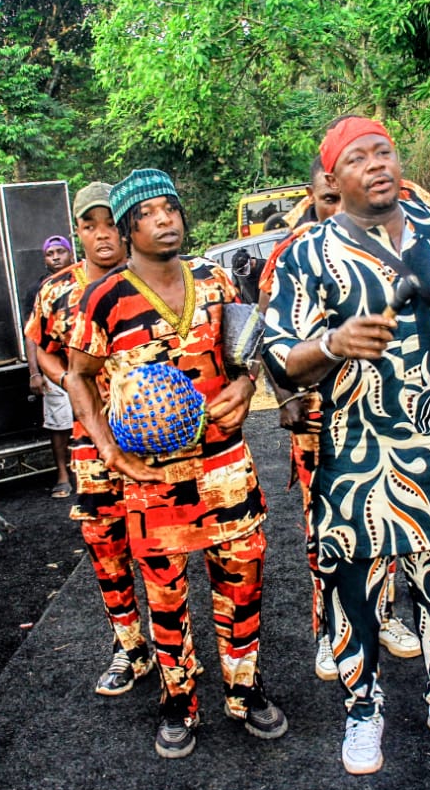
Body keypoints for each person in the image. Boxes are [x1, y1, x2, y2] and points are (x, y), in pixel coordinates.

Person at [263, 116, 430, 775]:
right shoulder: (308, 253)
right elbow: (281, 354)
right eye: (358, 158)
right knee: (354, 593)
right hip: (352, 448)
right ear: (332, 179)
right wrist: (334, 343)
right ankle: (362, 713)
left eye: (384, 152)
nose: (376, 164)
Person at [66, 169, 286, 759]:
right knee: (165, 598)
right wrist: (108, 449)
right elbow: (77, 375)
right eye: (148, 213)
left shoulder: (214, 279)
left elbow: (248, 347)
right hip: (152, 480)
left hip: (226, 466)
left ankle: (244, 691)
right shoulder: (103, 298)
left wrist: (247, 383)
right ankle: (178, 701)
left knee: (242, 585)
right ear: (127, 228)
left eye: (171, 207)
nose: (165, 219)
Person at [256, 156, 422, 684]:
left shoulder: (385, 245)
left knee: (386, 516)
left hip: (380, 414)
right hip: (319, 423)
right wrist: (286, 399)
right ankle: (331, 630)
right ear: (314, 197)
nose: (336, 209)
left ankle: (384, 617)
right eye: (327, 200)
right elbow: (266, 336)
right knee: (326, 532)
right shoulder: (292, 254)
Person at [25, 183, 157, 697]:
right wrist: (66, 379)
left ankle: (176, 649)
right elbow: (41, 344)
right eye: (89, 225)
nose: (101, 235)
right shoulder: (57, 290)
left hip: (154, 439)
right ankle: (131, 647)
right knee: (106, 543)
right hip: (90, 440)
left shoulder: (151, 279)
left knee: (163, 546)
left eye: (109, 224)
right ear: (77, 231)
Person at [25, 234, 76, 498]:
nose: (56, 257)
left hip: (85, 362)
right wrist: (35, 372)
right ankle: (63, 475)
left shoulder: (85, 280)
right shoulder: (39, 289)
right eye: (50, 254)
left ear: (71, 253)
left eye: (60, 251)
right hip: (55, 366)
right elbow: (32, 334)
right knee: (59, 423)